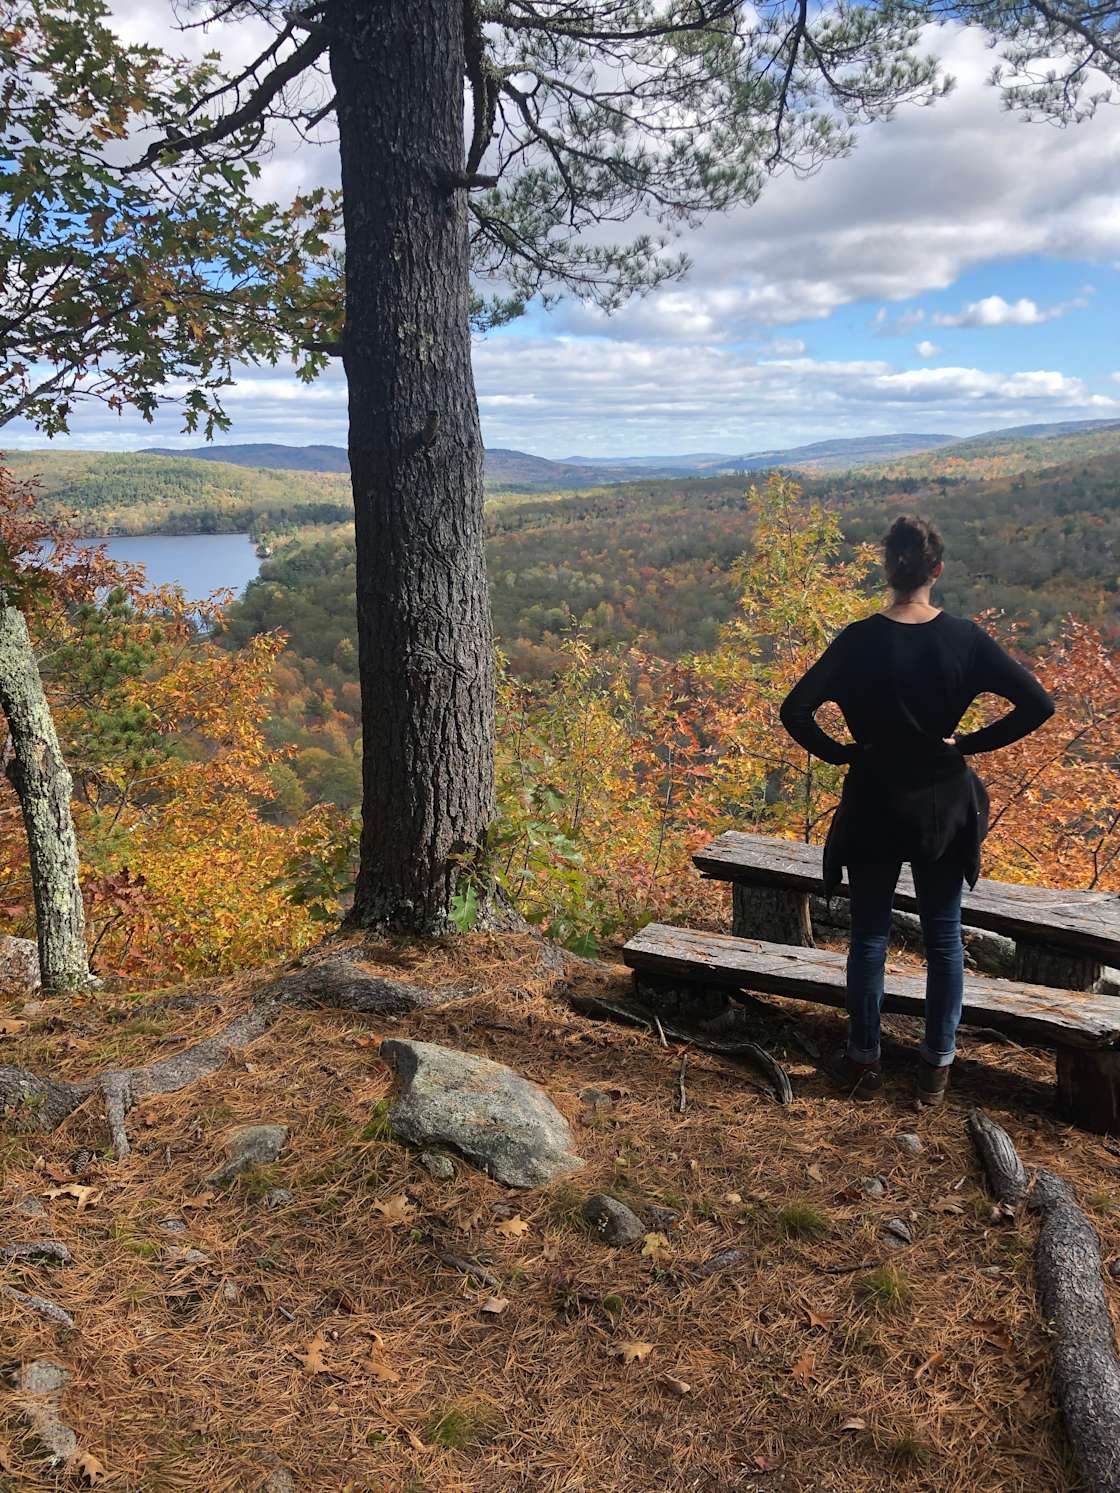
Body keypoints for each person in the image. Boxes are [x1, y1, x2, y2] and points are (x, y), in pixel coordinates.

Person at [778, 514, 1054, 1105]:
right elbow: (1037, 704)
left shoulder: (858, 640)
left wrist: (843, 753)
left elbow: (795, 710)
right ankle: (935, 1069)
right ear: (937, 569)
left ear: (889, 570)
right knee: (945, 939)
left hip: (875, 799)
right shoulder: (965, 640)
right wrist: (967, 744)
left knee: (870, 938)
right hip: (941, 805)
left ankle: (863, 1059)